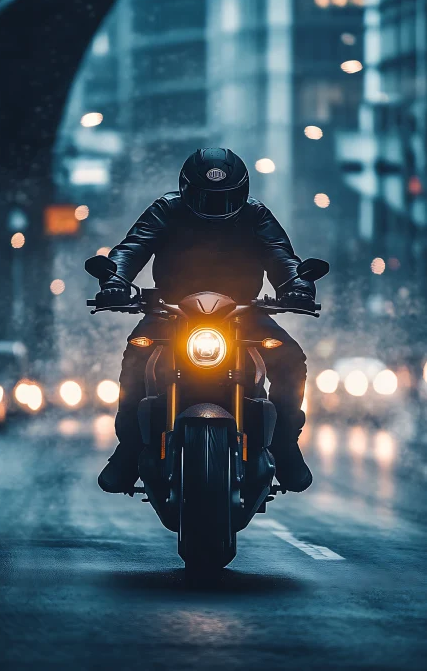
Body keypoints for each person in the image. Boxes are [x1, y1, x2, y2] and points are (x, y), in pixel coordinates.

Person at [96, 148, 316, 495]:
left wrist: (297, 285)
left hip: (243, 313)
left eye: (226, 198)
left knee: (290, 358)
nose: (217, 206)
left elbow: (281, 255)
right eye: (206, 198)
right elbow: (131, 248)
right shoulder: (166, 209)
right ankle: (131, 448)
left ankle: (285, 443)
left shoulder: (256, 215)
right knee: (137, 357)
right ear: (185, 190)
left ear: (241, 192)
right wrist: (115, 281)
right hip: (172, 313)